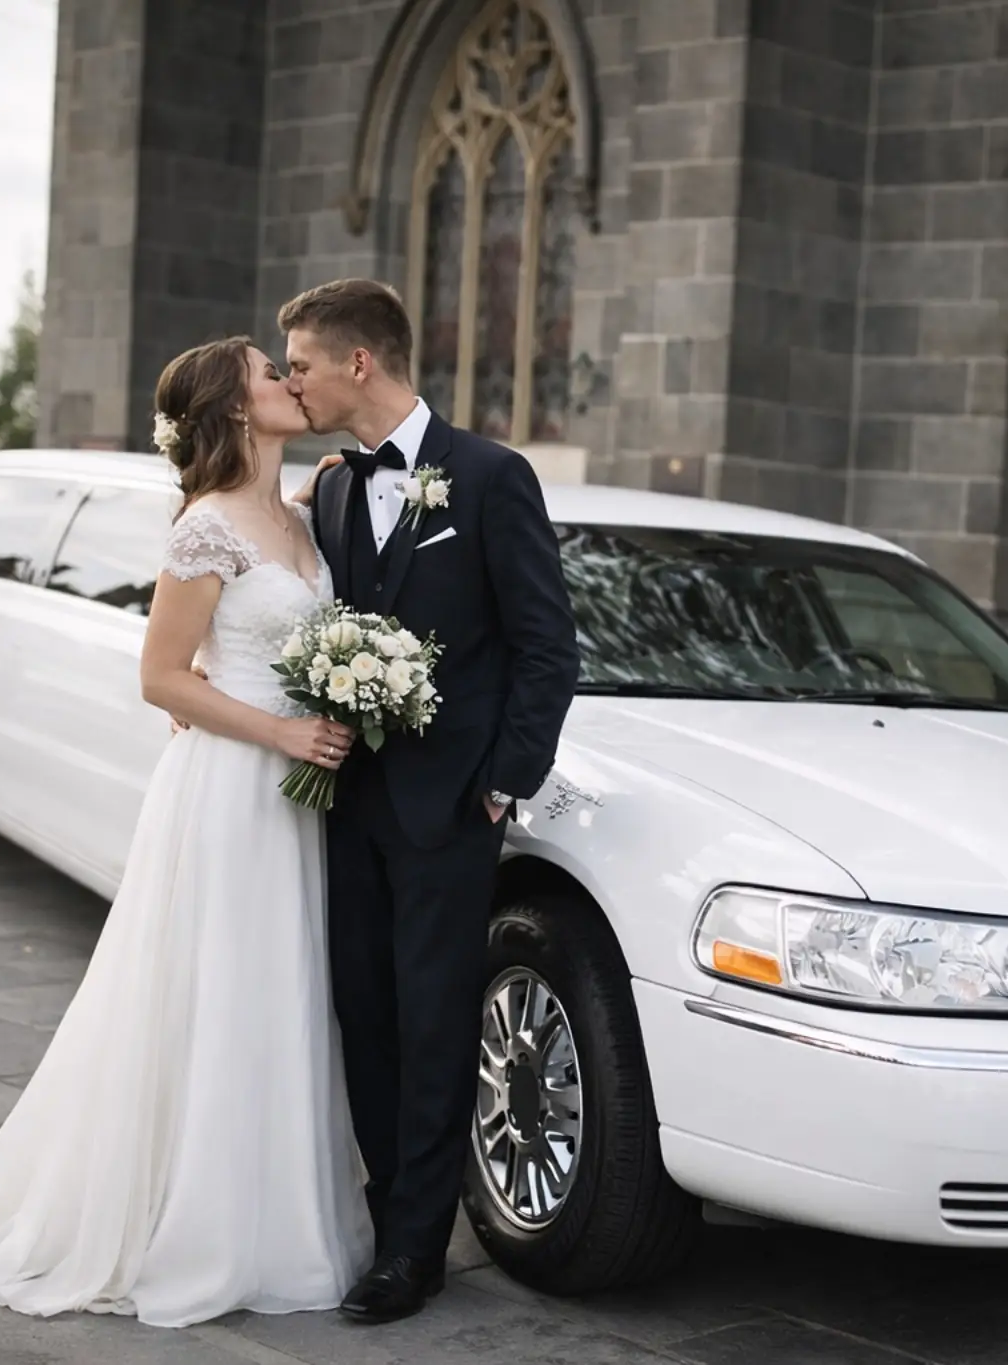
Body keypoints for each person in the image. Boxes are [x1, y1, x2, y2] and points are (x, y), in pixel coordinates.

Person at [0, 339, 373, 1328]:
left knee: (279, 993)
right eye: (266, 371)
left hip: (293, 801)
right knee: (216, 992)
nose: (287, 377)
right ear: (234, 410)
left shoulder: (302, 513)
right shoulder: (205, 529)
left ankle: (275, 1208)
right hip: (230, 791)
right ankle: (193, 1220)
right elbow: (162, 679)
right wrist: (281, 729)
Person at [278, 278, 579, 1324]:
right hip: (344, 805)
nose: (291, 383)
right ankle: (380, 1215)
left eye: (301, 364)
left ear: (358, 363)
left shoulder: (491, 477)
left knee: (434, 1025)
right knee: (363, 1016)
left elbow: (547, 647)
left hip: (450, 811)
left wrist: (502, 781)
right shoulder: (325, 489)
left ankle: (415, 1253)